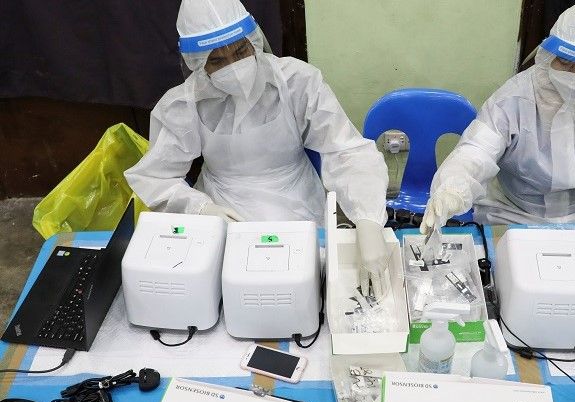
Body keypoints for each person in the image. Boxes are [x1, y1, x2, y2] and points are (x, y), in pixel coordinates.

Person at [125, 0, 389, 295]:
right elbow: (155, 177)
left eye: (240, 51)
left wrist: (367, 220)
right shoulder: (183, 105)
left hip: (297, 202)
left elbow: (347, 151)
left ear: (254, 41)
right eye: (217, 60)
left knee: (302, 284)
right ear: (197, 63)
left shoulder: (297, 81)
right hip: (223, 208)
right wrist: (200, 208)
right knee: (231, 291)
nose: (234, 67)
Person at [420, 0, 575, 234]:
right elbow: (477, 151)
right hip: (514, 214)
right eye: (565, 63)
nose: (574, 77)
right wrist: (454, 187)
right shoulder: (512, 100)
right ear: (549, 54)